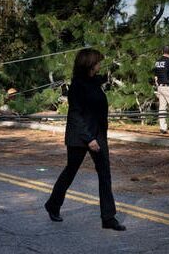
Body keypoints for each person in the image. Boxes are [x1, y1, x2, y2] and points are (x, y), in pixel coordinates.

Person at [44, 48, 126, 231]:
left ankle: (108, 218)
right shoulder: (77, 86)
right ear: (89, 64)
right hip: (81, 137)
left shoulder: (94, 82)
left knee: (105, 174)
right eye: (97, 62)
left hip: (98, 134)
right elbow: (75, 115)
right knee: (70, 171)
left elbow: (103, 77)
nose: (100, 65)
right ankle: (53, 204)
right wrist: (89, 139)